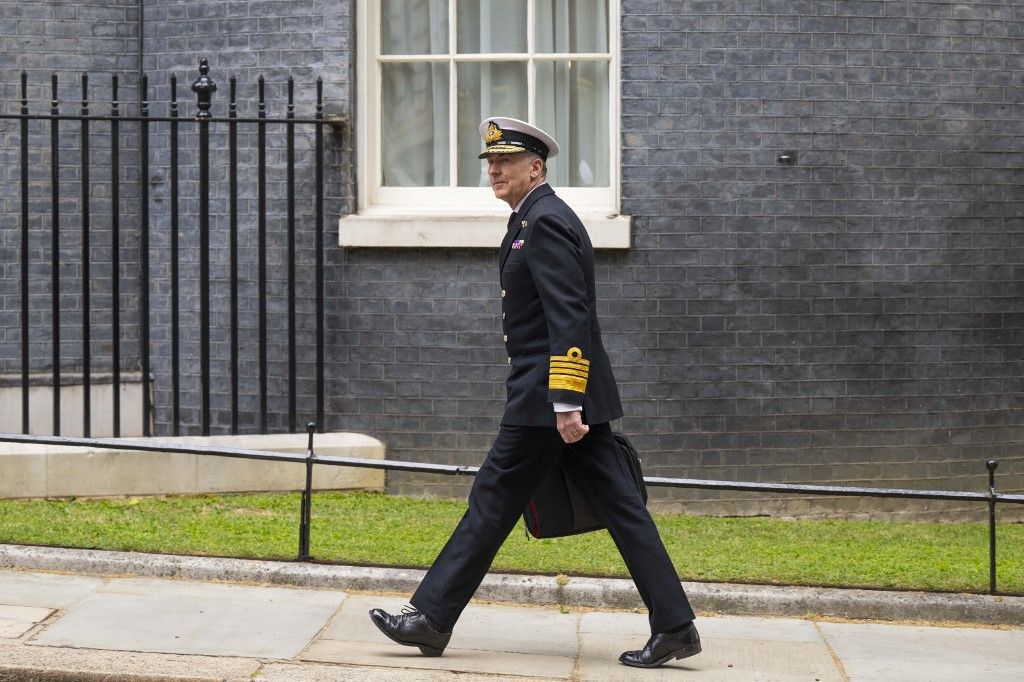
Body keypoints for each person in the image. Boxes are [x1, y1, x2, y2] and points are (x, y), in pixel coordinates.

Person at [369, 117, 701, 669]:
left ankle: (430, 617)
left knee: (493, 499)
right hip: (553, 396)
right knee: (619, 507)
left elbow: (568, 315)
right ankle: (675, 625)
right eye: (491, 164)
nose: (494, 171)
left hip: (547, 400)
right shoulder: (534, 217)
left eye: (505, 163)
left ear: (536, 167)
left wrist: (567, 401)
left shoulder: (544, 222)